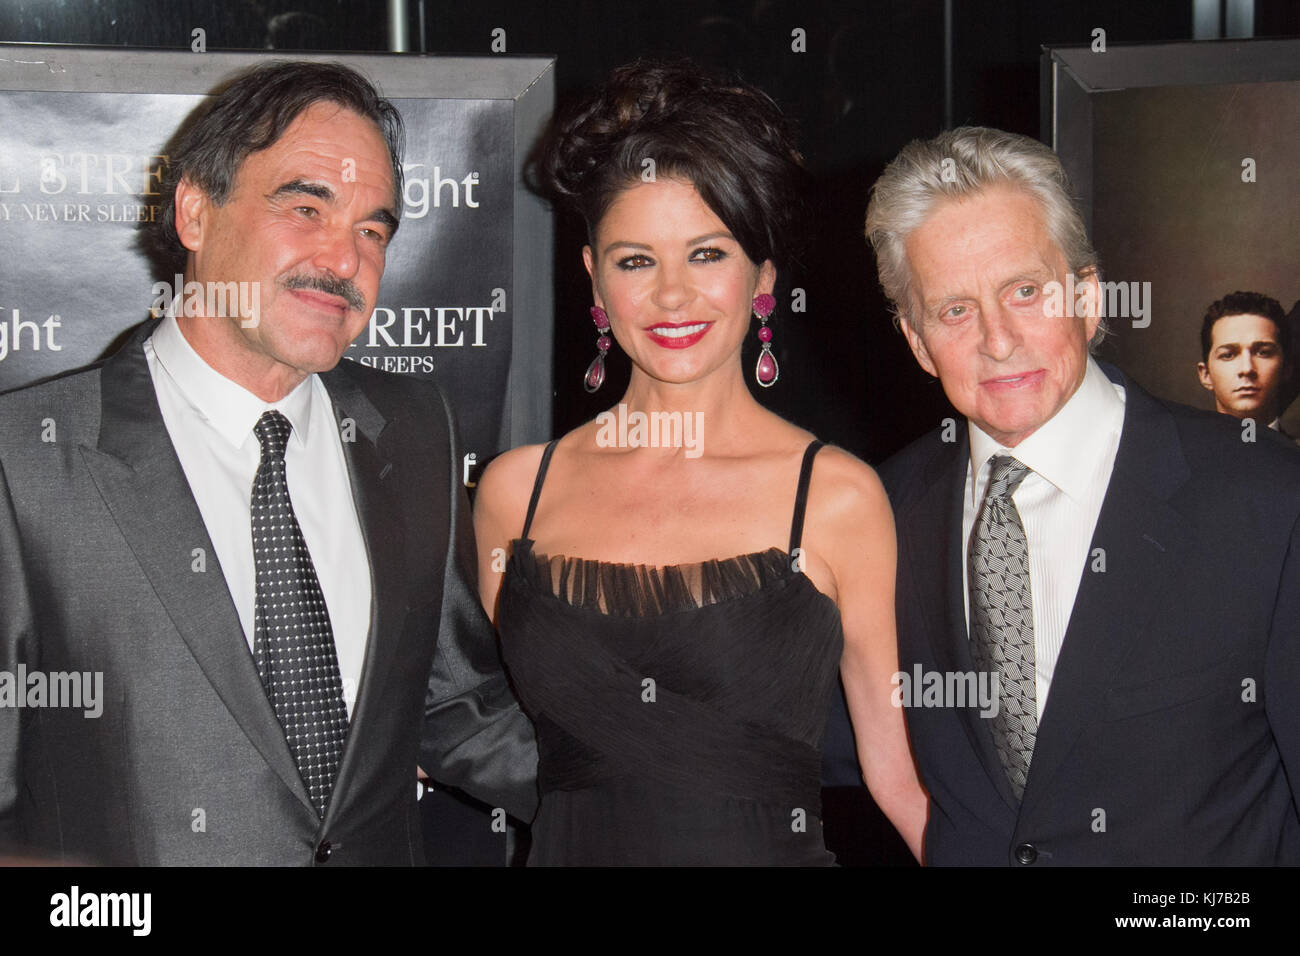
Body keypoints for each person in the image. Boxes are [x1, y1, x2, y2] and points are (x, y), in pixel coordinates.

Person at [0, 60, 536, 865]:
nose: (344, 258)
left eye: (372, 229)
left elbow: (452, 700)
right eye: (305, 206)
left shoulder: (414, 429)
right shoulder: (24, 461)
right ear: (193, 211)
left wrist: (669, 808)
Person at [473, 59, 926, 865]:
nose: (673, 296)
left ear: (763, 278)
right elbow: (486, 727)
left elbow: (901, 780)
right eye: (636, 260)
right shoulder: (516, 494)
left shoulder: (835, 498)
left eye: (708, 255)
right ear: (594, 279)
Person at [861, 125, 1300, 865]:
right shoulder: (880, 512)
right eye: (955, 310)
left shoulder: (1265, 498)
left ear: (1090, 297)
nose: (997, 340)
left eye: (1025, 292)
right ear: (915, 340)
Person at [1196, 290, 1294, 435]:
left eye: (1263, 353)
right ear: (1206, 374)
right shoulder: (1172, 455)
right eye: (1228, 355)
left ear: (1286, 369)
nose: (1247, 369)